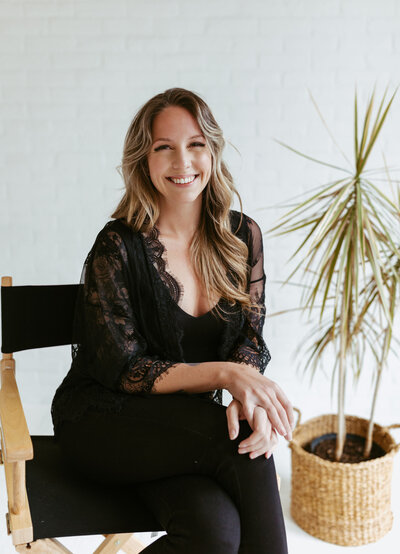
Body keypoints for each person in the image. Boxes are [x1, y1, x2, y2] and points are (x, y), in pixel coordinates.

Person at [51, 87, 294, 553]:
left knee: (214, 533)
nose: (182, 161)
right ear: (144, 160)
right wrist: (226, 376)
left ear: (213, 151)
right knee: (246, 451)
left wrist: (251, 399)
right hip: (103, 423)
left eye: (195, 144)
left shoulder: (241, 237)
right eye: (164, 147)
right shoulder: (118, 246)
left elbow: (249, 337)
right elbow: (126, 368)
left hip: (181, 431)